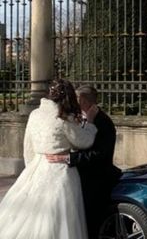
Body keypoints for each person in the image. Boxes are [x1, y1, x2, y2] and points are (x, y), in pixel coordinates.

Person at [0, 79, 98, 239]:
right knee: (60, 217)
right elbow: (84, 141)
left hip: (37, 167)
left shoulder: (34, 114)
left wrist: (32, 168)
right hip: (60, 170)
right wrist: (91, 123)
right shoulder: (63, 117)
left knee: (31, 214)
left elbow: (28, 147)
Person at [47, 85, 121, 239]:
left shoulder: (103, 122)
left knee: (91, 221)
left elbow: (98, 154)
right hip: (81, 177)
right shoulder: (79, 118)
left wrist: (67, 158)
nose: (73, 101)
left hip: (96, 180)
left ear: (82, 100)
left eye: (76, 98)